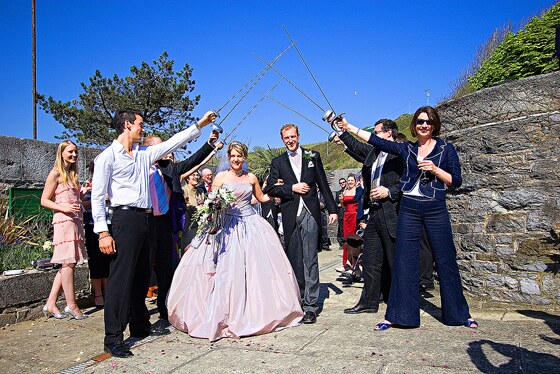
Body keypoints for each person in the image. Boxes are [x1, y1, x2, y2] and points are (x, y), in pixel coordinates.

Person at [335, 106, 478, 330]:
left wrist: (435, 169)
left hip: (435, 207)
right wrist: (348, 127)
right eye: (420, 121)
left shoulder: (446, 149)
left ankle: (459, 314)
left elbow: (456, 181)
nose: (424, 125)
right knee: (404, 263)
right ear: (414, 125)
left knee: (446, 260)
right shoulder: (407, 149)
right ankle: (399, 315)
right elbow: (375, 140)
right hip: (410, 209)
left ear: (434, 125)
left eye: (429, 122)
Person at [91, 108, 216, 358]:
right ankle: (113, 337)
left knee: (142, 275)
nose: (143, 128)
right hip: (123, 219)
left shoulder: (145, 154)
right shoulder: (107, 157)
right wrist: (103, 232)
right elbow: (96, 196)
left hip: (146, 219)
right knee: (120, 279)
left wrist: (200, 125)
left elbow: (174, 141)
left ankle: (139, 325)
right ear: (127, 125)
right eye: (140, 123)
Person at [167, 142, 303, 341]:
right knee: (226, 270)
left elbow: (262, 197)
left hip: (251, 225)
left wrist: (283, 192)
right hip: (227, 226)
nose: (236, 160)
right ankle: (224, 313)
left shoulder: (252, 178)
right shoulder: (220, 177)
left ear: (244, 157)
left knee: (256, 269)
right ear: (228, 158)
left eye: (239, 156)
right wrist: (206, 230)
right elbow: (211, 206)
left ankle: (255, 311)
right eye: (232, 156)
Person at [142, 131, 222, 327]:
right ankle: (138, 315)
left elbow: (193, 160)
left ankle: (164, 311)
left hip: (164, 224)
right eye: (162, 146)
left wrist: (209, 144)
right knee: (142, 270)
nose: (167, 149)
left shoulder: (169, 169)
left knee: (165, 269)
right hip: (143, 221)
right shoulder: (138, 168)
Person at [264, 124, 337, 324]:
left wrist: (332, 209)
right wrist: (291, 188)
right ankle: (299, 298)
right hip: (289, 214)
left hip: (310, 213)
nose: (290, 140)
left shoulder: (312, 156)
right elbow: (270, 188)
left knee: (310, 258)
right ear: (282, 140)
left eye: (293, 136)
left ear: (299, 136)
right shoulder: (277, 162)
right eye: (286, 137)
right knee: (294, 258)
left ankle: (311, 306)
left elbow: (323, 183)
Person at [337, 119, 404, 314]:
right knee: (370, 260)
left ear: (389, 133)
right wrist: (342, 132)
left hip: (391, 211)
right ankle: (369, 302)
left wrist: (389, 191)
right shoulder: (374, 153)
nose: (373, 136)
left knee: (393, 260)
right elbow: (358, 146)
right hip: (374, 211)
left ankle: (398, 302)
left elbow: (408, 183)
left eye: (376, 133)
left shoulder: (399, 153)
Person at [40, 140, 89, 320]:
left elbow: (74, 200)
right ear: (61, 153)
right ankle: (71, 305)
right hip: (64, 221)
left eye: (75, 152)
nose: (74, 155)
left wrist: (83, 192)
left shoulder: (72, 175)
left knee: (69, 263)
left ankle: (51, 303)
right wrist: (63, 208)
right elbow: (44, 200)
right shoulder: (55, 173)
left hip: (75, 221)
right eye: (70, 152)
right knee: (68, 264)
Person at [82, 160, 111, 309]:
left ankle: (108, 291)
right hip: (93, 226)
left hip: (110, 224)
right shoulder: (88, 185)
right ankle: (98, 293)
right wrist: (99, 199)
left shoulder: (111, 182)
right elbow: (81, 206)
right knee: (96, 261)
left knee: (108, 260)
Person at [339, 173, 364, 270]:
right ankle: (347, 261)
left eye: (351, 180)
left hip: (354, 215)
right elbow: (343, 206)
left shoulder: (357, 191)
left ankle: (356, 262)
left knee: (354, 238)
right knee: (346, 239)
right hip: (346, 216)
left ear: (355, 181)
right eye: (348, 180)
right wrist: (341, 201)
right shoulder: (345, 191)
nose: (350, 182)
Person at [180, 171, 205, 249]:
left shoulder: (201, 192)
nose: (196, 177)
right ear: (188, 178)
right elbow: (182, 206)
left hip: (199, 226)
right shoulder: (183, 190)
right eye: (193, 175)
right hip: (188, 225)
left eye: (197, 175)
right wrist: (196, 207)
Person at [335, 178, 347, 249]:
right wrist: (339, 204)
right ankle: (342, 243)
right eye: (340, 183)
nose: (342, 184)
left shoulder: (349, 191)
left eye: (343, 182)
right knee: (341, 229)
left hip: (349, 212)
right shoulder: (338, 193)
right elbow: (335, 203)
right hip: (341, 213)